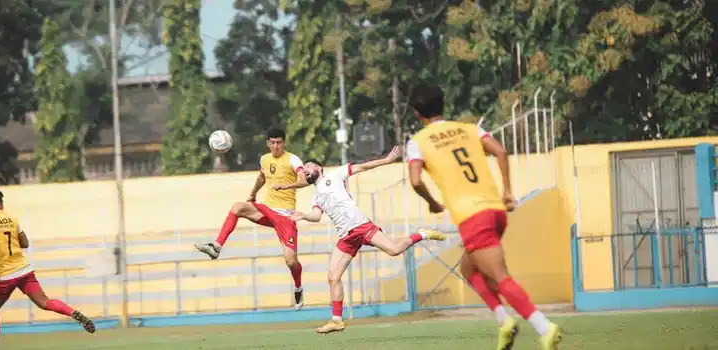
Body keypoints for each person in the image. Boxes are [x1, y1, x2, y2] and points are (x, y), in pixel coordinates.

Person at [405, 84, 562, 350]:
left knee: (500, 276)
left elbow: (416, 180)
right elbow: (500, 151)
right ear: (443, 104)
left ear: (417, 113)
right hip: (495, 212)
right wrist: (508, 192)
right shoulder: (469, 129)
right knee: (469, 269)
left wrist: (432, 203)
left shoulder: (418, 142)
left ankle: (544, 327)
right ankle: (504, 322)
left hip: (472, 216)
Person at [291, 146, 447, 334]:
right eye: (304, 170)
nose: (305, 170)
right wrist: (303, 215)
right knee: (333, 277)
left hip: (361, 226)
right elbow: (316, 216)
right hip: (346, 237)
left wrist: (387, 160)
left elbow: (363, 167)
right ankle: (337, 320)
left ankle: (422, 234)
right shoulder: (316, 196)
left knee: (395, 250)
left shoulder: (336, 174)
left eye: (308, 167)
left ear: (319, 168)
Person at [195, 127, 309, 310]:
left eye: (279, 142)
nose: (275, 146)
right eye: (272, 143)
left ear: (284, 143)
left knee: (290, 261)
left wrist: (286, 186)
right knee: (237, 207)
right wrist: (253, 194)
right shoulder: (265, 159)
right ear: (267, 143)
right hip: (266, 210)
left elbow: (304, 180)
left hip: (285, 216)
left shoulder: (293, 160)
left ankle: (298, 287)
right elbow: (262, 177)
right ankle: (216, 246)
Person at [0, 189, 94, 350]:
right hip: (24, 270)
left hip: (5, 274)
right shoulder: (12, 219)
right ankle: (72, 313)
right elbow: (25, 243)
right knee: (45, 302)